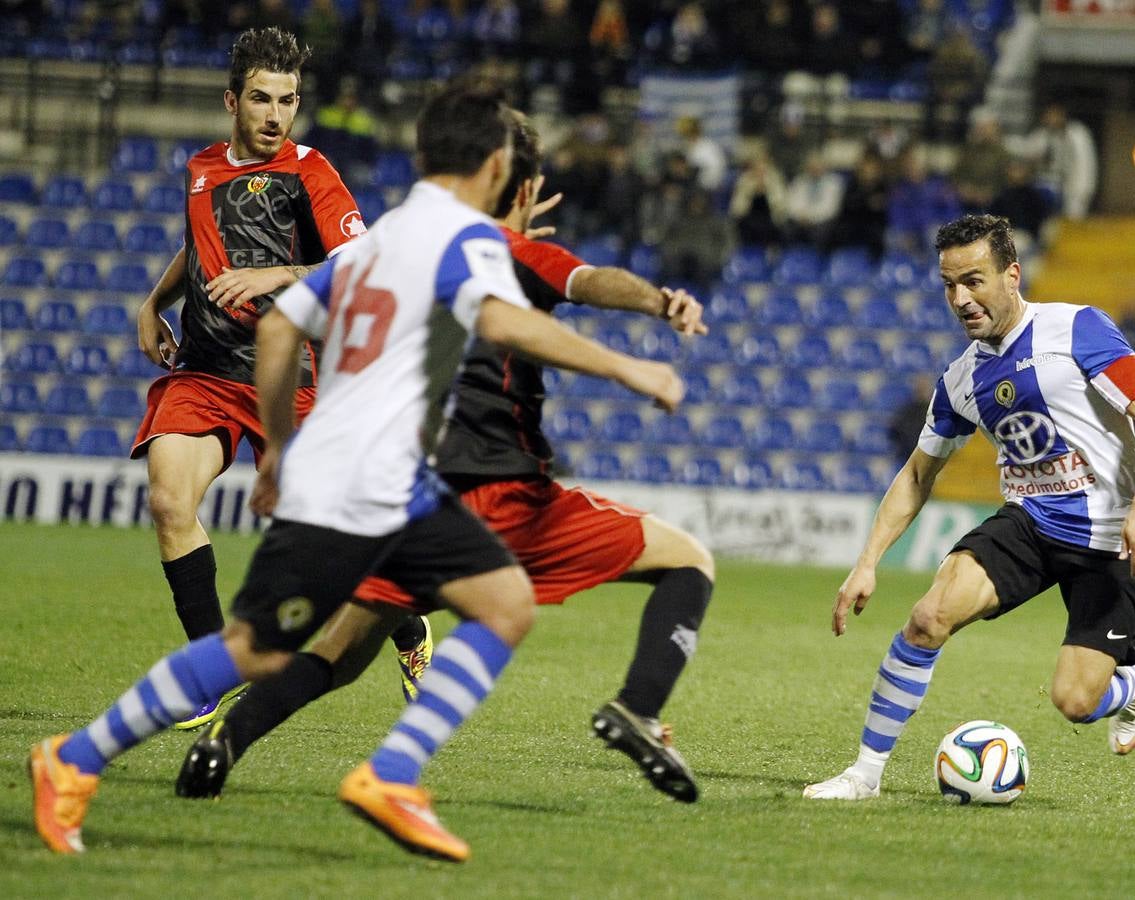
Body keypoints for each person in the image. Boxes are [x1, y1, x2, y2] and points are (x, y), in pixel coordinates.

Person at [28, 79, 685, 861]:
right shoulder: (461, 242)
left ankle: (394, 773)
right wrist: (628, 369)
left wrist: (278, 450)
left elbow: (281, 332)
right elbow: (503, 319)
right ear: (497, 162)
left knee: (502, 602)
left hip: (380, 479)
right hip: (358, 483)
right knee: (256, 650)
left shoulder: (388, 233)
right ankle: (71, 760)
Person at [175, 109, 717, 805]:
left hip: (414, 496)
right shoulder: (507, 254)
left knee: (338, 653)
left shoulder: (418, 251)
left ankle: (225, 739)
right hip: (506, 497)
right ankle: (636, 707)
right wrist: (658, 303)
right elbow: (591, 280)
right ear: (515, 184)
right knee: (686, 560)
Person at [803, 214, 1135, 801]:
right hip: (1031, 522)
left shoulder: (1076, 328)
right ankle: (864, 774)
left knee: (1076, 702)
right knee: (927, 618)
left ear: (1012, 274)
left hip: (1111, 536)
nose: (961, 298)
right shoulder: (959, 381)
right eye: (950, 285)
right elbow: (919, 472)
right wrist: (868, 560)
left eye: (974, 281)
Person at [130, 28, 431, 730]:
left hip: (285, 377)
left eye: (288, 100)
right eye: (262, 99)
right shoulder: (201, 167)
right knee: (171, 504)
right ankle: (206, 669)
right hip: (203, 370)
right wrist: (153, 303)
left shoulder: (311, 172)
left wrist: (276, 274)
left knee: (336, 551)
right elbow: (199, 243)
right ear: (232, 100)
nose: (275, 115)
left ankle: (407, 626)